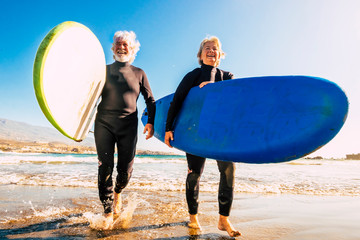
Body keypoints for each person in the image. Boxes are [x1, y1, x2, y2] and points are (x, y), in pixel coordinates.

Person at [164, 36, 240, 237]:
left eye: (215, 49)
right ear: (200, 55)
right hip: (196, 131)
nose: (211, 51)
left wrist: (214, 90)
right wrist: (168, 128)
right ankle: (193, 216)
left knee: (229, 170)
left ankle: (224, 219)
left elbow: (235, 102)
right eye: (207, 48)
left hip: (220, 132)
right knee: (194, 173)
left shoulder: (228, 76)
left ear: (220, 55)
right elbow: (177, 101)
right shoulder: (192, 76)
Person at [94, 30, 155, 228]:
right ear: (112, 48)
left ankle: (118, 192)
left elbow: (150, 100)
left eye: (125, 44)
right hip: (104, 123)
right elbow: (89, 96)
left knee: (124, 172)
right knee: (105, 168)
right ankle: (108, 213)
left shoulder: (139, 73)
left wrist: (151, 122)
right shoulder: (103, 70)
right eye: (118, 44)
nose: (121, 47)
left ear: (132, 48)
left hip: (128, 126)